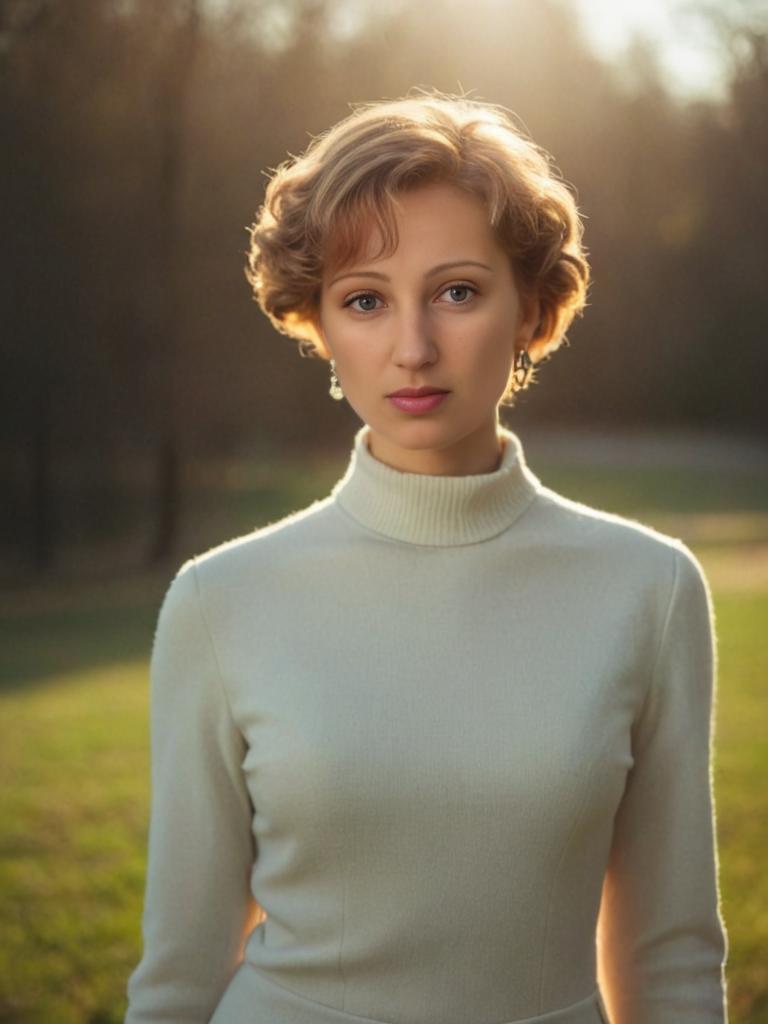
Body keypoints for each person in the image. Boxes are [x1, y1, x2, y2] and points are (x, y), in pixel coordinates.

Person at [124, 89, 729, 1023]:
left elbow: (672, 960)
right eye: (365, 300)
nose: (413, 347)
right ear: (319, 326)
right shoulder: (220, 602)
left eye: (457, 292)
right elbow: (180, 969)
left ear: (530, 308)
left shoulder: (647, 591)